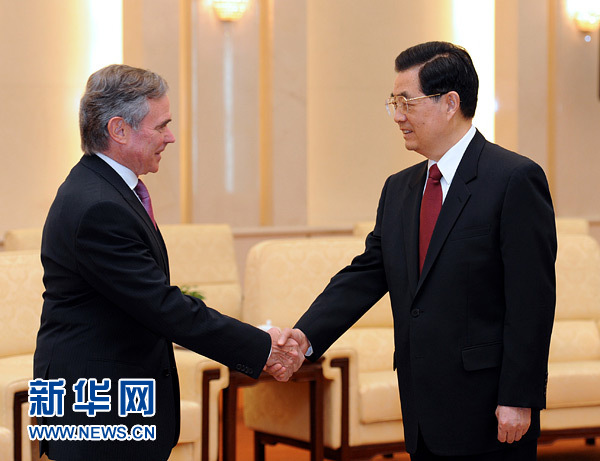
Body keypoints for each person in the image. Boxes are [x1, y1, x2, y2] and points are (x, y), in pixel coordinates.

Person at [279, 41, 557, 460]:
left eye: (406, 102)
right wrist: (305, 336)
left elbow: (531, 301)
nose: (397, 115)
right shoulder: (400, 189)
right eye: (393, 102)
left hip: (489, 408)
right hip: (421, 404)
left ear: (450, 103)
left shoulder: (514, 179)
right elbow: (367, 273)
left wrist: (519, 397)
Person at [33, 64, 303, 461]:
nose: (171, 137)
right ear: (119, 129)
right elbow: (162, 306)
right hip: (97, 409)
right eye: (161, 126)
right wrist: (263, 348)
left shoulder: (106, 191)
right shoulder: (97, 206)